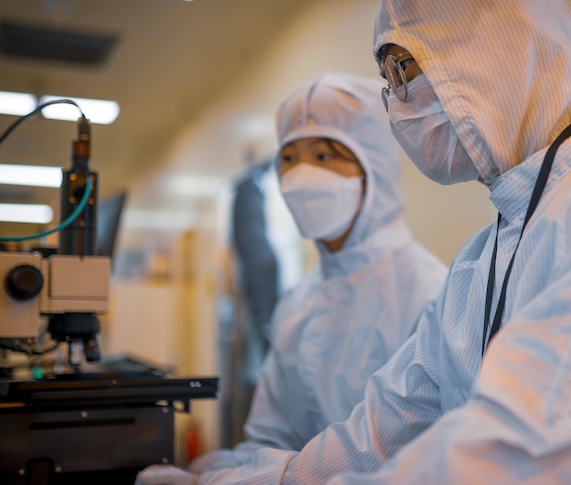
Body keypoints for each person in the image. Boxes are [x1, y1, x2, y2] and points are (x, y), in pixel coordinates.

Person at [138, 0, 571, 483]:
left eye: (405, 72)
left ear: (486, 56)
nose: (396, 104)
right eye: (388, 82)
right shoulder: (484, 258)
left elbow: (522, 453)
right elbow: (387, 420)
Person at [137, 72, 447, 483]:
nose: (300, 176)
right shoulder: (298, 303)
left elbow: (412, 461)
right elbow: (269, 438)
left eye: (323, 156)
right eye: (288, 158)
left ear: (377, 165)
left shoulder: (431, 295)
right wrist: (227, 471)